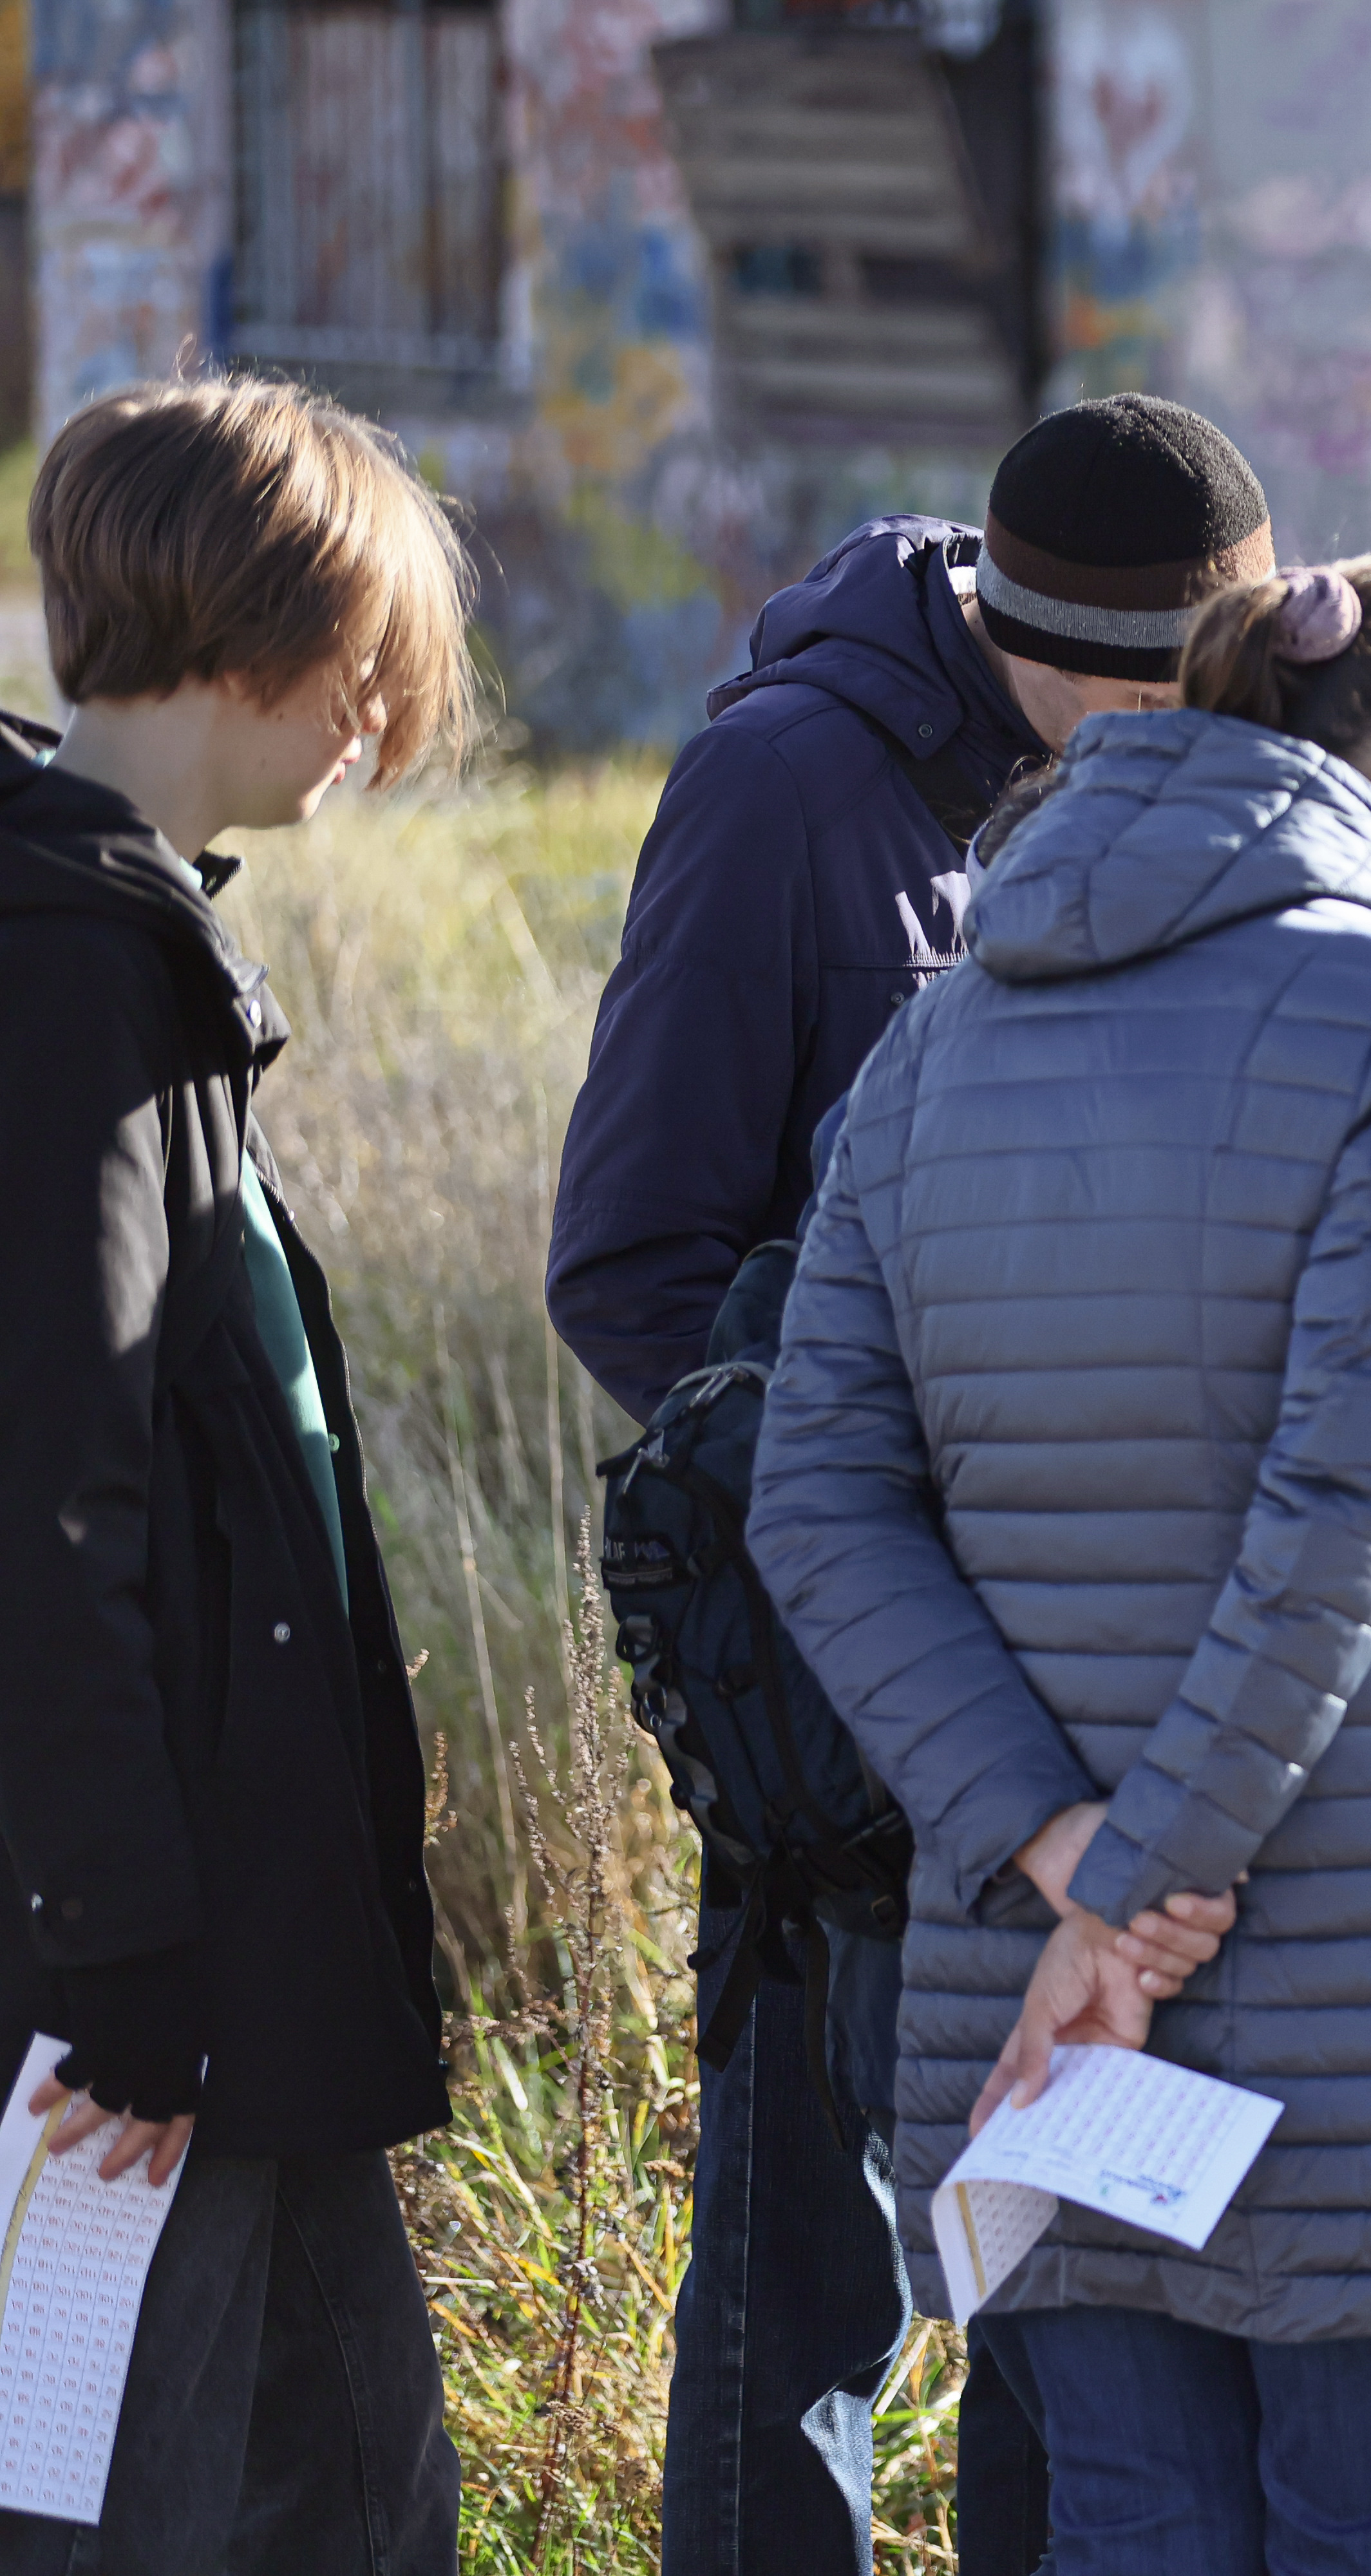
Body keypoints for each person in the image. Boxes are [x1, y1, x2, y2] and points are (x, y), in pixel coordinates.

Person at [745, 556, 1371, 2576]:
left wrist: (1055, 1855)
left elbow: (816, 1496)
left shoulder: (941, 1036)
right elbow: (1367, 1505)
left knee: (1128, 2533)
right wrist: (1133, 1897)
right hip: (1353, 1992)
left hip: (1037, 2013)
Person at [548, 392, 1276, 2576]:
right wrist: (860, 1523)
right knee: (807, 2308)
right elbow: (631, 1253)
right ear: (1088, 663)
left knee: (1074, 2297)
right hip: (848, 1731)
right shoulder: (783, 790)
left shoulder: (1170, 809)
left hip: (1109, 1711)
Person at [0, 374, 478, 2573]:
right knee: (141, 2514)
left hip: (240, 1953)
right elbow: (48, 1500)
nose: (384, 716)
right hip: (143, 1986)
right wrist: (116, 1953)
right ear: (264, 630)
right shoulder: (72, 977)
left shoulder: (140, 937)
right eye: (372, 653)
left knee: (354, 2486)